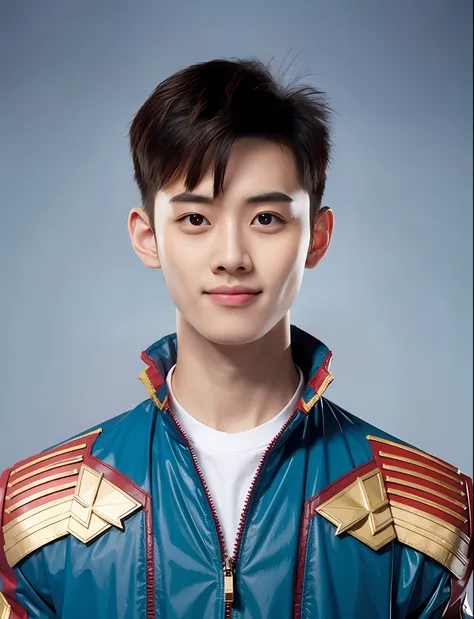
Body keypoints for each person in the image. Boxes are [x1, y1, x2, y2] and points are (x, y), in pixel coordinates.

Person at [0, 58, 471, 619]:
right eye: (195, 220)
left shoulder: (423, 521)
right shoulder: (36, 520)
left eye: (267, 219)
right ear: (147, 237)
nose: (231, 258)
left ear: (317, 238)